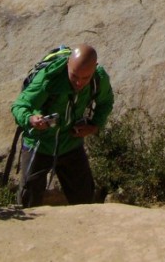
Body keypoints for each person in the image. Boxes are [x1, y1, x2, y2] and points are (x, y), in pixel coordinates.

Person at [11, 43, 114, 207]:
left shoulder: (98, 79)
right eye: (74, 76)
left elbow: (106, 102)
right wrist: (31, 119)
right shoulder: (49, 77)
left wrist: (95, 125)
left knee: (85, 199)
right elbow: (19, 106)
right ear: (68, 65)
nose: (79, 83)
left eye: (85, 78)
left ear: (94, 68)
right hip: (39, 144)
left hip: (70, 143)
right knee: (28, 201)